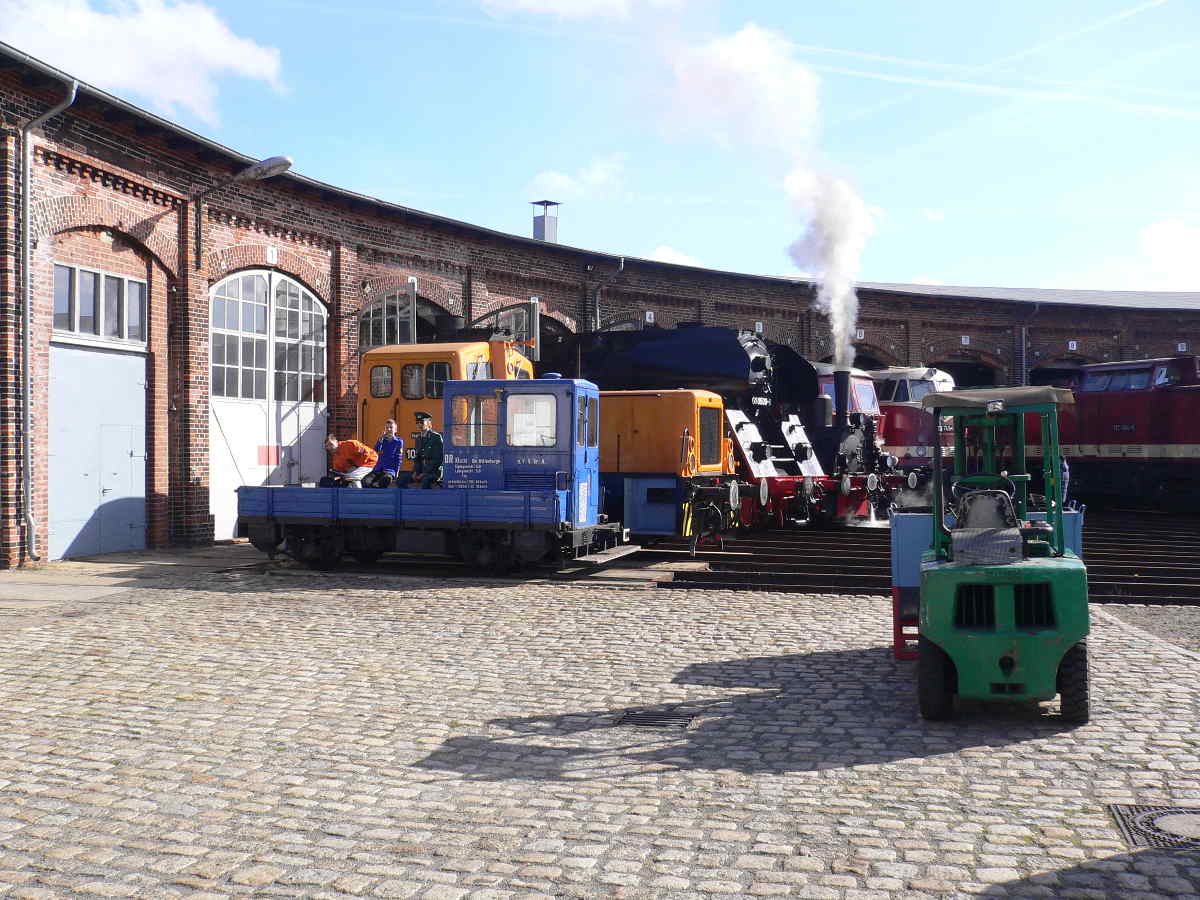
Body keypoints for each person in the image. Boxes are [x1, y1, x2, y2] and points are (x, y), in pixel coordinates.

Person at [396, 410, 443, 489]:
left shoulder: (436, 437)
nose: (419, 425)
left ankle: (424, 497)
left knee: (425, 481)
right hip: (420, 472)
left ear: (428, 423)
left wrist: (424, 473)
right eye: (417, 423)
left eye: (422, 422)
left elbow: (437, 460)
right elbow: (417, 459)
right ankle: (410, 496)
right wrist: (415, 472)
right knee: (400, 480)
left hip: (433, 472)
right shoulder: (418, 438)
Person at [365, 419, 404, 488]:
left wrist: (397, 472)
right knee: (367, 481)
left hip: (389, 470)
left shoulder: (399, 441)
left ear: (395, 430)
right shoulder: (381, 440)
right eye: (387, 428)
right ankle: (374, 487)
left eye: (391, 427)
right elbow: (374, 453)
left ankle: (377, 486)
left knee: (386, 479)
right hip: (378, 469)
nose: (389, 429)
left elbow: (398, 458)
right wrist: (380, 441)